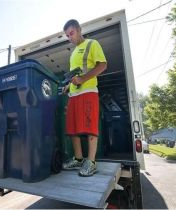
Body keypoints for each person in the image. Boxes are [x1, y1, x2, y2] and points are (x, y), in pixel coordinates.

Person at [62, 19, 107, 177]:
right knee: (73, 128)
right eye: (67, 36)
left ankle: (91, 162)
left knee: (89, 125)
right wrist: (68, 86)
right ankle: (79, 158)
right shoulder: (73, 53)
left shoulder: (92, 44)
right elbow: (76, 76)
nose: (70, 37)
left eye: (72, 33)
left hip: (88, 92)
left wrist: (83, 79)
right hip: (74, 94)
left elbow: (102, 65)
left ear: (79, 30)